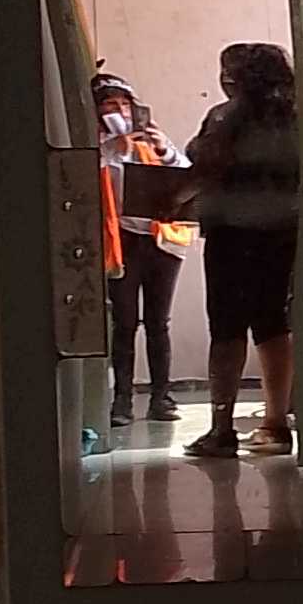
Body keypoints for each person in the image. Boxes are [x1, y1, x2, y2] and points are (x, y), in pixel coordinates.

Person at [179, 39, 303, 461]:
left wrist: (171, 197)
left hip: (231, 233)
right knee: (274, 326)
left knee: (226, 329)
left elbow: (202, 164)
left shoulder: (226, 118)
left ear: (237, 79)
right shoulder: (300, 119)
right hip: (285, 232)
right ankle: (276, 423)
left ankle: (222, 427)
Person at [92, 69, 191, 428]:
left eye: (124, 104)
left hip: (162, 240)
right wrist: (110, 149)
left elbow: (185, 174)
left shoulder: (150, 139)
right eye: (109, 105)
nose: (119, 111)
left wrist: (163, 149)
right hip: (121, 242)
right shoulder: (94, 146)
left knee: (158, 322)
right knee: (124, 322)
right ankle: (122, 399)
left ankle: (161, 397)